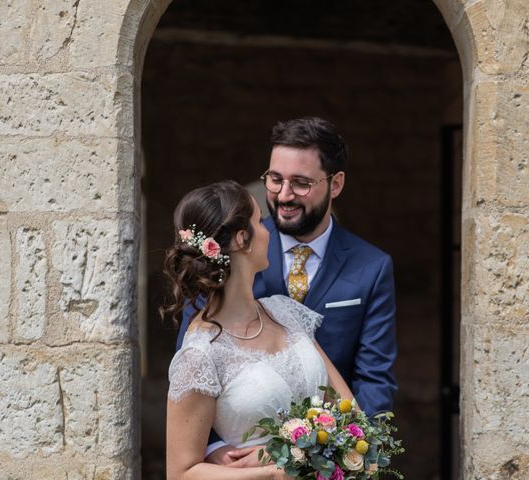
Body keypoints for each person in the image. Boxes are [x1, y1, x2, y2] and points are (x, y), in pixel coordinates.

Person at [177, 117, 398, 465]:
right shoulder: (230, 248)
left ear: (335, 184)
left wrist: (353, 458)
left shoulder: (372, 267)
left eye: (301, 183)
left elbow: (374, 380)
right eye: (275, 179)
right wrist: (216, 451)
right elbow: (192, 376)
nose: (283, 195)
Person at [164, 180, 353, 480]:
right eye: (258, 221)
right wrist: (273, 473)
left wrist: (285, 450)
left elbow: (350, 415)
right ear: (242, 239)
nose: (269, 229)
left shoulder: (286, 312)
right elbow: (181, 473)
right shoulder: (200, 353)